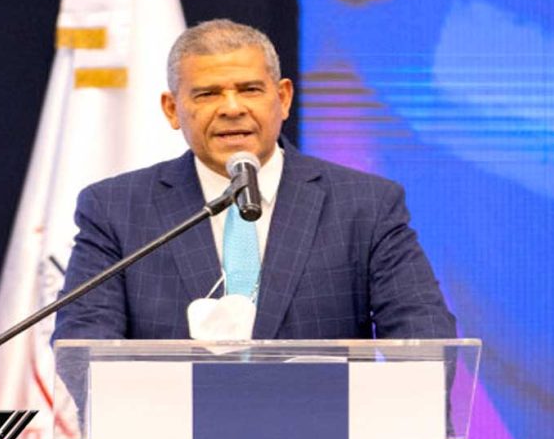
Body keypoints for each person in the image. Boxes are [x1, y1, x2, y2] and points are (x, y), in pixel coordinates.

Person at [53, 19, 455, 342]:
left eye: (249, 89)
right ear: (172, 109)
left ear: (283, 98)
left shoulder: (366, 204)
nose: (232, 108)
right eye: (207, 94)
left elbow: (423, 332)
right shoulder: (115, 209)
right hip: (170, 422)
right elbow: (84, 337)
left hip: (322, 421)